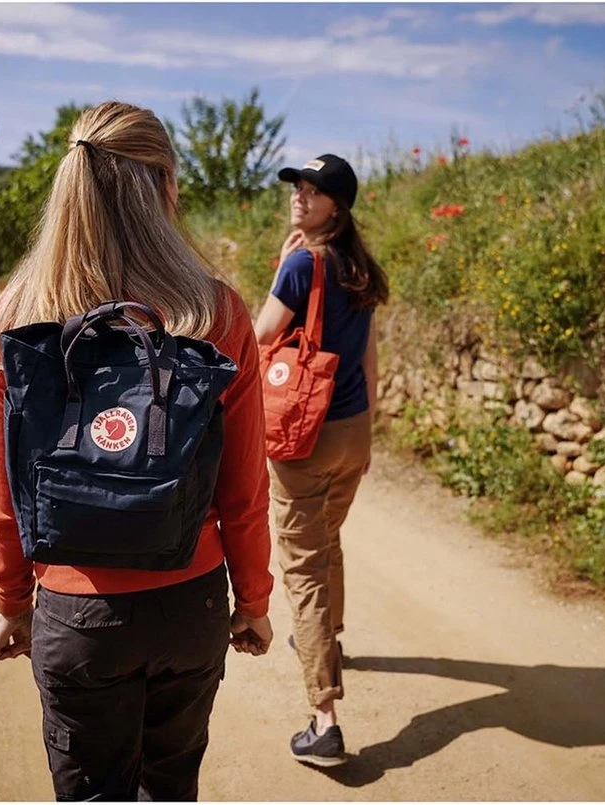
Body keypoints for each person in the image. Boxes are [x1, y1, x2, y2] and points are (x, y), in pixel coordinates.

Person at [0, 101, 274, 801]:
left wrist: (12, 599)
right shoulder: (215, 311)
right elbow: (243, 486)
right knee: (171, 786)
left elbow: (6, 492)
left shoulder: (18, 316)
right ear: (166, 185)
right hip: (189, 603)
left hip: (77, 613)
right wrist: (253, 598)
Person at [254, 154, 388, 767]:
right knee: (327, 538)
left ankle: (324, 719)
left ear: (338, 206)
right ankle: (328, 639)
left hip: (303, 433)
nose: (299, 197)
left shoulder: (301, 264)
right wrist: (369, 430)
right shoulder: (359, 266)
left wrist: (282, 270)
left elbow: (260, 335)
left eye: (313, 191)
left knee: (303, 568)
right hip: (352, 430)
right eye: (297, 188)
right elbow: (369, 357)